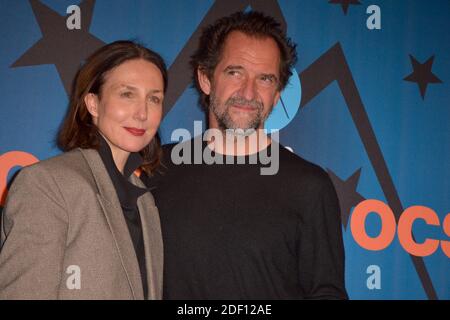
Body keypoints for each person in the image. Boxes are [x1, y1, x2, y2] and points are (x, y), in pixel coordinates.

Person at [143, 11, 348, 299]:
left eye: (264, 79)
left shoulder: (310, 186)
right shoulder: (156, 169)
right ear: (205, 78)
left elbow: (326, 293)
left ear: (276, 95)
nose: (248, 92)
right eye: (235, 72)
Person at [0, 41, 166, 299]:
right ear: (93, 104)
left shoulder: (146, 202)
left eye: (154, 98)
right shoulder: (47, 185)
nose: (142, 113)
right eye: (127, 94)